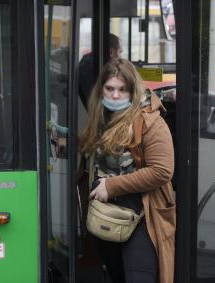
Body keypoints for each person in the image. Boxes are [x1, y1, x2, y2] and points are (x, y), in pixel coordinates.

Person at [79, 59, 175, 283]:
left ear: (133, 91)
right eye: (109, 88)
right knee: (116, 276)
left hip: (143, 216)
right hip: (106, 213)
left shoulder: (149, 120)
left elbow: (161, 171)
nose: (115, 95)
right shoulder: (100, 118)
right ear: (101, 89)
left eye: (122, 90)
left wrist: (111, 186)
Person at [78, 34, 122, 109]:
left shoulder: (92, 61)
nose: (120, 56)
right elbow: (94, 100)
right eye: (119, 52)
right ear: (111, 51)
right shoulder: (91, 65)